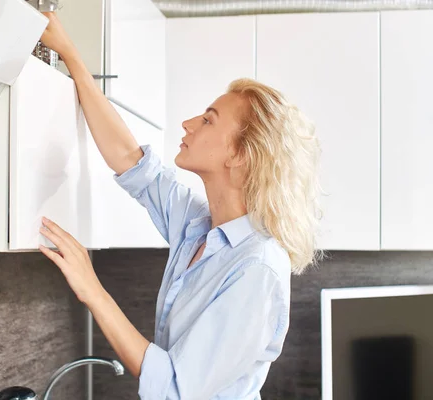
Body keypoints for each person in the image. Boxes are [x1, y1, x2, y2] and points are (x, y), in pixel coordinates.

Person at [36, 12, 321, 400]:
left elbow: (173, 387)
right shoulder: (198, 226)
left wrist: (92, 290)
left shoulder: (258, 270)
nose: (187, 124)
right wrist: (72, 56)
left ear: (239, 156)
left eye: (207, 120)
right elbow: (131, 162)